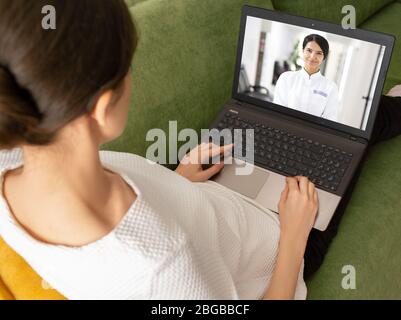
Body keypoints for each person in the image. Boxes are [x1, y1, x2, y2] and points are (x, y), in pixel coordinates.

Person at [0, 0, 399, 300]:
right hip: (279, 245)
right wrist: (295, 235)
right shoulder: (166, 272)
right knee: (352, 137)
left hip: (207, 195)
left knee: (313, 125)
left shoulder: (13, 157)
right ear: (104, 109)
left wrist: (176, 181)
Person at [273, 34, 341, 121]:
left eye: (319, 53)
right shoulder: (286, 78)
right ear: (303, 51)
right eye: (309, 50)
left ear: (324, 57)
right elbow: (277, 112)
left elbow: (330, 119)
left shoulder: (331, 87)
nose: (312, 56)